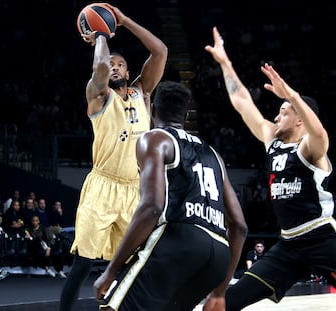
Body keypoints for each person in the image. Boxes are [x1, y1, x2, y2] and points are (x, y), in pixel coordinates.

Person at [203, 26, 336, 311]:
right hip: (288, 245)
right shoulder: (272, 142)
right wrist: (225, 63)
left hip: (323, 239)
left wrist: (292, 94)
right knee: (223, 303)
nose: (277, 115)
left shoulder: (310, 149)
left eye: (284, 111)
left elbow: (320, 132)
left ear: (300, 120)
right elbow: (242, 102)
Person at [92, 80, 247, 311]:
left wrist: (111, 270)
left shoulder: (155, 138)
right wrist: (220, 291)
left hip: (180, 241)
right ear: (185, 116)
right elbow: (240, 226)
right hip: (218, 255)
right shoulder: (213, 154)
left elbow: (152, 207)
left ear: (152, 110)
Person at [58, 4, 167, 311]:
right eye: (113, 64)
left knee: (135, 261)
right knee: (83, 263)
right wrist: (101, 35)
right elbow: (100, 70)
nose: (115, 67)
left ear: (130, 73)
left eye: (121, 64)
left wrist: (124, 20)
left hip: (135, 189)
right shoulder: (98, 95)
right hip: (102, 186)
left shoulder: (141, 93)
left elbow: (160, 51)